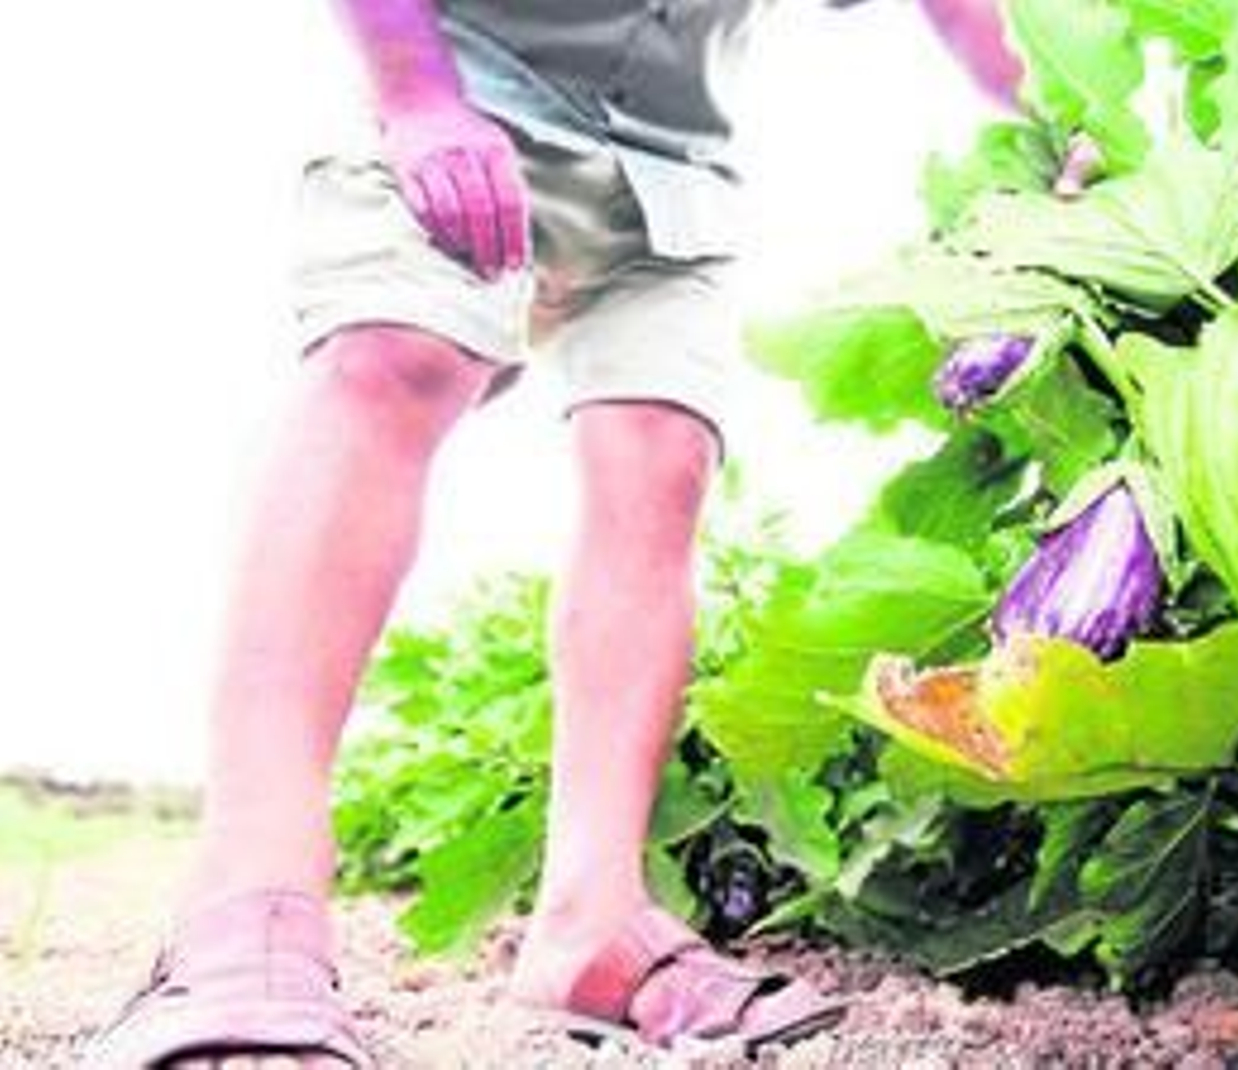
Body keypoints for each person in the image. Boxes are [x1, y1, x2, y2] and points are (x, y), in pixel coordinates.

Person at [88, 1, 1021, 1065]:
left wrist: (1059, 122)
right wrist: (417, 96)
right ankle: (242, 900)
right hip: (463, 91)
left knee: (660, 455)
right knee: (396, 356)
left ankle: (593, 920)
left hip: (671, 163)